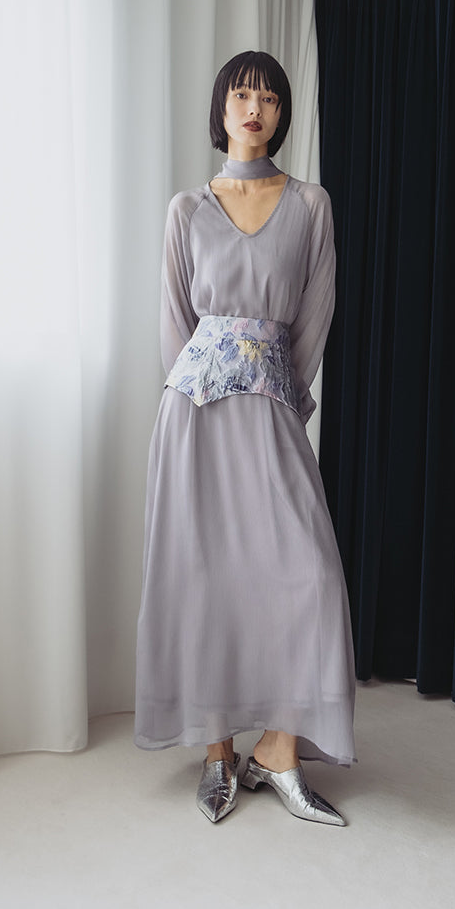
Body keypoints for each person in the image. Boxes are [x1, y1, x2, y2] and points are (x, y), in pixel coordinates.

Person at [134, 50, 356, 825]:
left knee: (310, 576)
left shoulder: (311, 205)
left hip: (272, 406)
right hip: (194, 415)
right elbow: (174, 326)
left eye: (269, 97)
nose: (254, 108)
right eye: (241, 95)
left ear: (282, 114)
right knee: (205, 580)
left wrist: (281, 396)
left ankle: (279, 752)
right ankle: (217, 752)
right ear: (222, 109)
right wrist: (200, 392)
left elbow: (314, 317)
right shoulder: (186, 210)